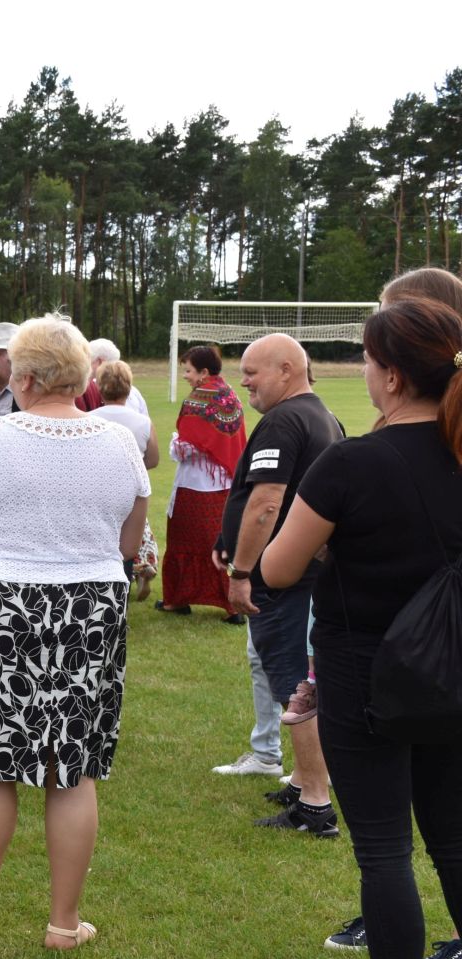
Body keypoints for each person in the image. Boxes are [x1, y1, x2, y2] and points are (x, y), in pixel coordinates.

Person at [260, 297, 462, 959]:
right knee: (453, 838)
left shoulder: (353, 463)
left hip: (368, 679)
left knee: (385, 850)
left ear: (393, 375)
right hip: (452, 673)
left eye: (370, 363)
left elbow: (278, 567)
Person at [0, 314, 150, 950]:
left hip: (5, 603)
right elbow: (130, 544)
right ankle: (63, 922)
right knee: (72, 770)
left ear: (25, 378)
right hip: (93, 607)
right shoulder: (120, 443)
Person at [214, 334, 343, 836]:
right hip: (307, 575)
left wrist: (242, 571)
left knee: (295, 686)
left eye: (251, 371)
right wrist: (228, 540)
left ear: (287, 369)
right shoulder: (321, 415)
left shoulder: (285, 420)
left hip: (285, 580)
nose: (242, 381)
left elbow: (267, 501)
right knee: (297, 678)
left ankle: (314, 805)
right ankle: (303, 780)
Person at [159, 345, 246, 619]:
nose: (185, 375)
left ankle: (177, 599)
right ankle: (231, 604)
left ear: (204, 372)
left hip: (196, 485)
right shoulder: (230, 395)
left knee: (183, 539)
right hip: (225, 484)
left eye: (188, 370)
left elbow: (186, 447)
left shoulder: (198, 399)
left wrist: (174, 443)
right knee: (220, 540)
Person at [93, 362, 161, 600]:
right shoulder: (143, 422)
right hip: (130, 492)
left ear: (99, 388)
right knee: (130, 542)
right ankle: (125, 590)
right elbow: (153, 459)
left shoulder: (89, 418)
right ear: (129, 388)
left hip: (97, 491)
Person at [89, 338, 148, 415]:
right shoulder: (134, 392)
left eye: (89, 361)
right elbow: (145, 419)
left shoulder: (91, 389)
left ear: (100, 362)